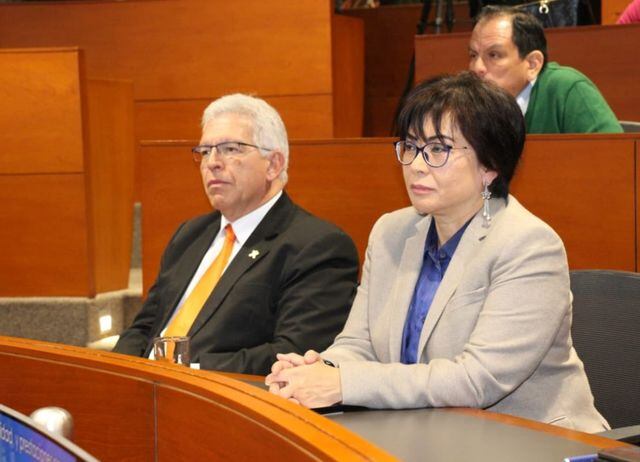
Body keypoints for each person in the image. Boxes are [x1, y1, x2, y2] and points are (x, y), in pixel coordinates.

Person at [266, 72, 609, 433]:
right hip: (426, 433)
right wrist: (318, 370)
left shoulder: (528, 245)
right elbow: (358, 344)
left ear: (490, 166)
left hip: (533, 439)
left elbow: (477, 379)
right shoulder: (391, 231)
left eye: (438, 150)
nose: (416, 164)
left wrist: (344, 383)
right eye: (411, 147)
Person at [113, 94, 359, 375]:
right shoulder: (189, 235)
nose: (212, 163)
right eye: (205, 151)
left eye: (230, 149)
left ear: (273, 164)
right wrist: (115, 372)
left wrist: (184, 370)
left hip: (218, 393)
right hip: (148, 387)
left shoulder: (317, 246)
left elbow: (294, 352)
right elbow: (145, 327)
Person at [469, 6, 622, 134]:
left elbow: (617, 155)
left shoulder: (566, 89)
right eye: (473, 55)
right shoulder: (470, 102)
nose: (477, 67)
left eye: (494, 55)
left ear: (532, 64)